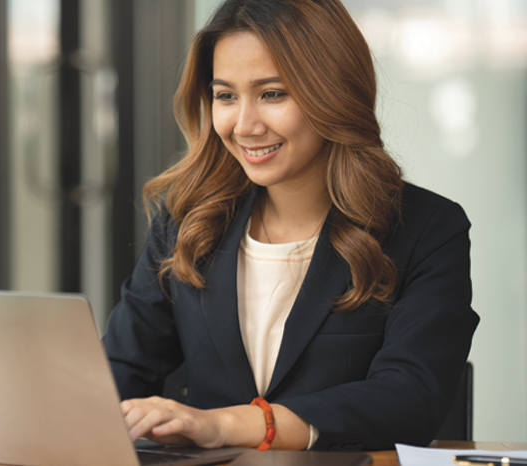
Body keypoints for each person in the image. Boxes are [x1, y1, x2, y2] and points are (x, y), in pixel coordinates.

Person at [102, 0, 478, 452]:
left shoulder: (427, 229)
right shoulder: (188, 220)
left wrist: (228, 425)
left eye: (272, 93)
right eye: (225, 96)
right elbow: (116, 372)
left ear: (333, 91)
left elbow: (410, 398)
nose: (245, 125)